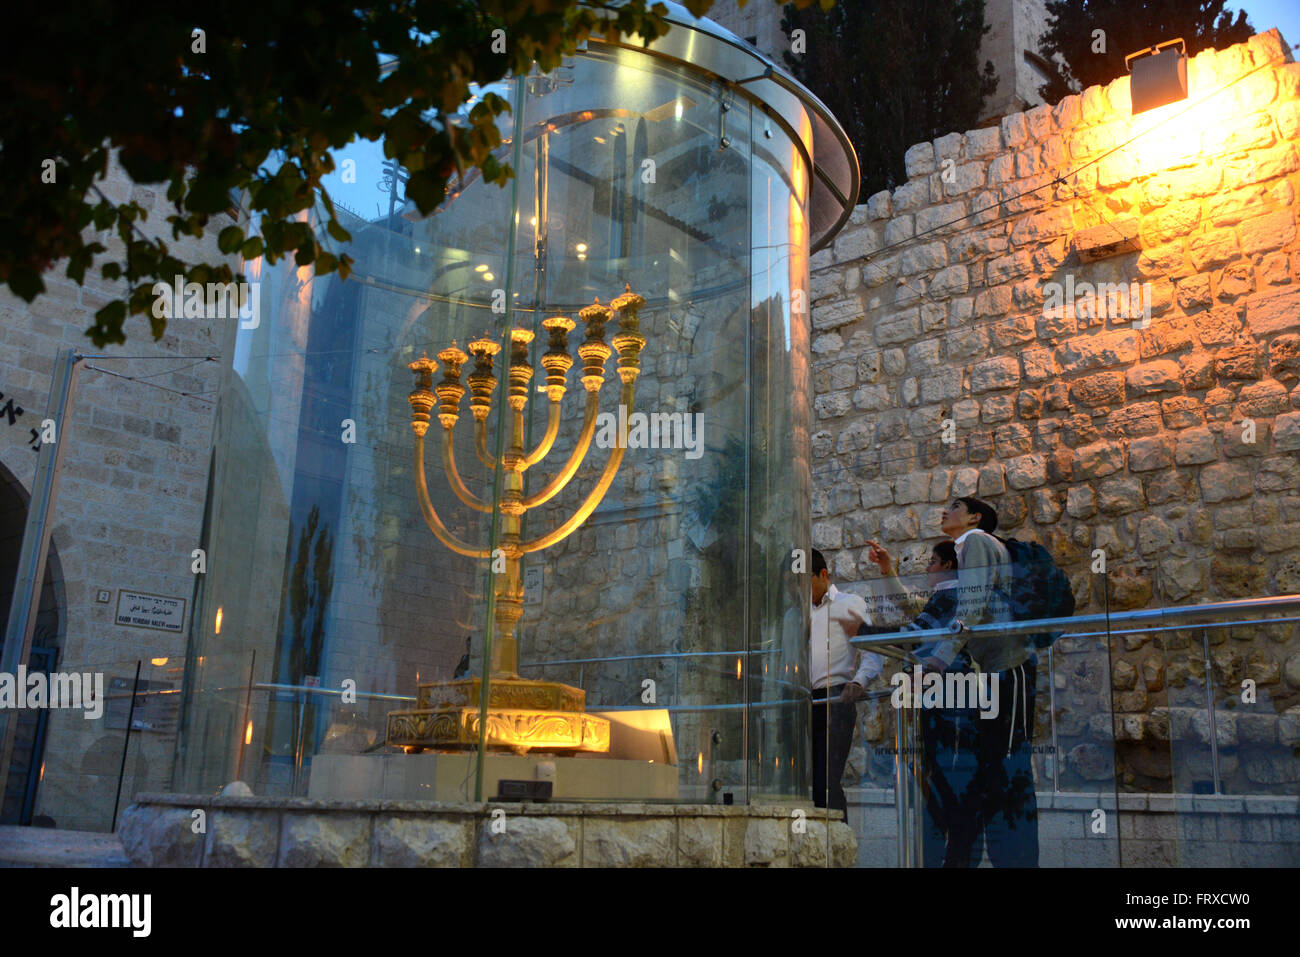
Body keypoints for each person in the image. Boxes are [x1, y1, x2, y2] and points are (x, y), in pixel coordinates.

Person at [869, 498, 1039, 867]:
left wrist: (936, 661)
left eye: (956, 506)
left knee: (1008, 769)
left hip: (1010, 665)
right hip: (997, 668)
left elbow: (971, 609)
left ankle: (1010, 858)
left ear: (975, 517)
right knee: (998, 769)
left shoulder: (976, 541)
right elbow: (935, 610)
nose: (946, 511)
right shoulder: (968, 551)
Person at [808, 548, 882, 814]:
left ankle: (836, 849)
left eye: (804, 581)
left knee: (826, 780)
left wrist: (859, 682)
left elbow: (873, 651)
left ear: (823, 575)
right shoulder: (797, 611)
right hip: (801, 700)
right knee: (803, 782)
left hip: (837, 697)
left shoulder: (850, 603)